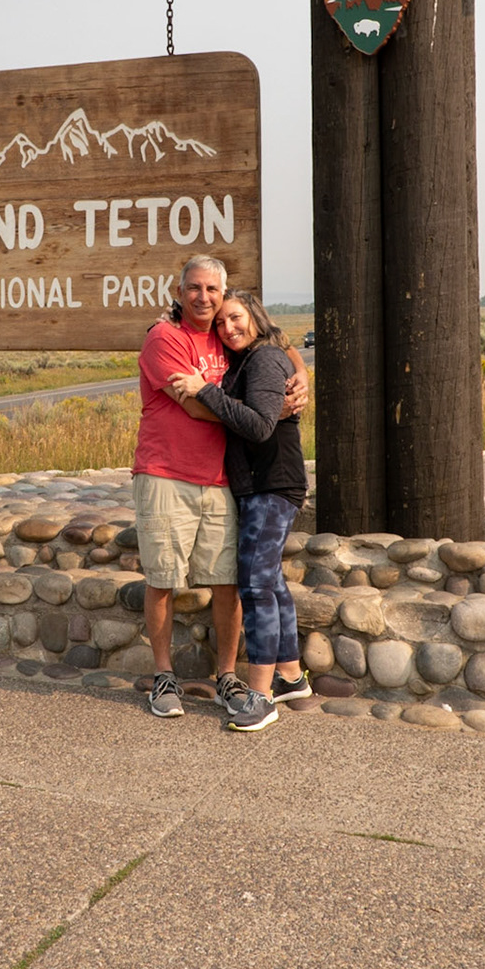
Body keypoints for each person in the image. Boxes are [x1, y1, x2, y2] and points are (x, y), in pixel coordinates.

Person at [133, 256, 307, 720]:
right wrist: (265, 414)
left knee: (229, 580)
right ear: (179, 290)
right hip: (167, 472)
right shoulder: (163, 338)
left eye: (212, 289)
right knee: (164, 578)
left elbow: (276, 345)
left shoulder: (225, 333)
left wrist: (302, 374)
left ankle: (227, 675)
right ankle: (164, 675)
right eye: (194, 288)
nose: (204, 298)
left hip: (223, 479)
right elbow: (193, 407)